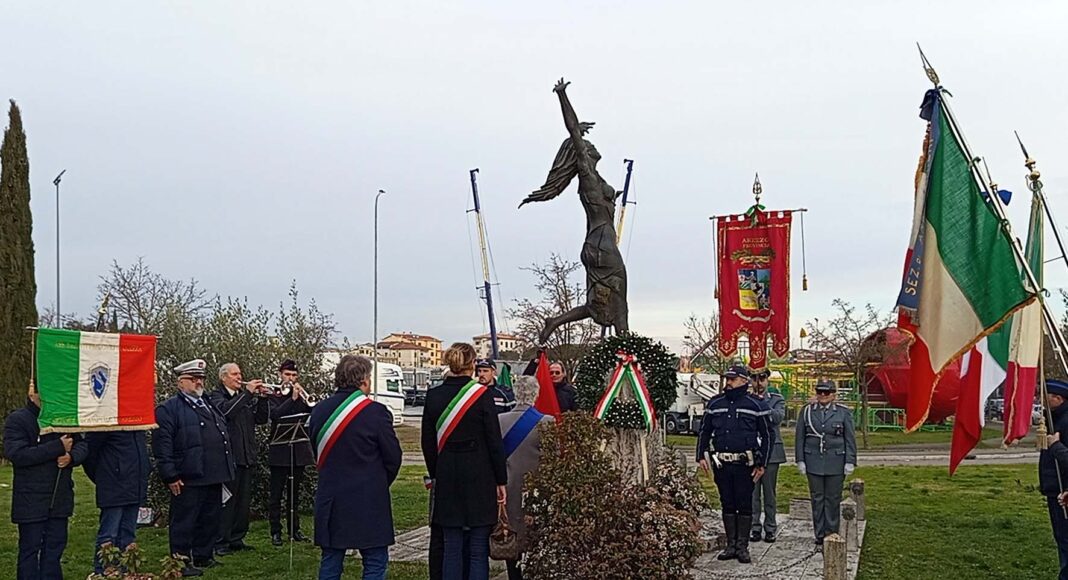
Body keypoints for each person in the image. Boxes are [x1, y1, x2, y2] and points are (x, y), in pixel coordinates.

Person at [310, 354, 402, 580]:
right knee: (375, 560)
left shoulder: (319, 410)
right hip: (368, 497)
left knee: (331, 559)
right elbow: (393, 457)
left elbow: (316, 450)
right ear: (364, 380)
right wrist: (379, 481)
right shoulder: (376, 412)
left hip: (331, 495)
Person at [422, 342, 507, 580]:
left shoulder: (433, 396)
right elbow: (494, 441)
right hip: (480, 476)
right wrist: (501, 480)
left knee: (451, 547)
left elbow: (427, 442)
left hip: (447, 473)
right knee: (478, 549)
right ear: (472, 365)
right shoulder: (482, 394)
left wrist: (437, 472)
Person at [153, 359, 236, 577]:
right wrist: (170, 475)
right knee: (184, 520)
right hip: (188, 474)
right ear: (181, 382)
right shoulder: (168, 408)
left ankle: (203, 555)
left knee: (210, 518)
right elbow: (163, 445)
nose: (198, 382)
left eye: (201, 378)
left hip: (213, 472)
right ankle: (180, 561)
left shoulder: (207, 403)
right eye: (193, 379)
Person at [5, 384, 88, 580]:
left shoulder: (63, 418)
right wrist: (57, 447)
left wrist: (72, 457)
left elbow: (83, 444)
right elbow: (17, 454)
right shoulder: (18, 420)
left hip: (59, 497)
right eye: (41, 390)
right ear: (31, 392)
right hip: (30, 499)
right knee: (30, 551)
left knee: (54, 550)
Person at [696, 364, 771, 564]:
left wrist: (762, 463)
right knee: (727, 503)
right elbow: (704, 431)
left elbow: (767, 435)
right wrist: (700, 455)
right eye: (727, 379)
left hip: (745, 464)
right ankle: (731, 545)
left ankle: (742, 547)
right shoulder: (715, 403)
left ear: (744, 381)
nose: (728, 382)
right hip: (722, 463)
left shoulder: (755, 405)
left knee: (744, 504)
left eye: (733, 379)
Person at [497, 375, 555, 580]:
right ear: (536, 394)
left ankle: (514, 574)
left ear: (515, 393)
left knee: (511, 535)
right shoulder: (548, 423)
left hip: (507, 487)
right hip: (536, 489)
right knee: (535, 535)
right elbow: (552, 459)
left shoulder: (499, 420)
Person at [208, 362, 269, 555]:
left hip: (246, 457)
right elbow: (225, 413)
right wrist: (248, 394)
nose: (239, 377)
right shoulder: (217, 396)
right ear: (223, 377)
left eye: (240, 373)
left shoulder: (244, 398)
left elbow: (260, 419)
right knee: (227, 503)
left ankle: (237, 538)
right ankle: (221, 542)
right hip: (228, 459)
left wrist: (262, 399)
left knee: (243, 503)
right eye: (234, 374)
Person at [796, 380, 857, 551]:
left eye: (827, 393)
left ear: (833, 394)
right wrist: (800, 459)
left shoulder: (843, 413)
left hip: (836, 462)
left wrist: (850, 461)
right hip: (813, 461)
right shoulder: (807, 411)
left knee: (832, 498)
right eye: (820, 392)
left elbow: (849, 439)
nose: (823, 396)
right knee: (817, 499)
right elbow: (800, 437)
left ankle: (831, 533)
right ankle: (819, 534)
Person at [84, 427, 151, 574]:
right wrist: (105, 476)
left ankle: (126, 569)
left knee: (128, 533)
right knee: (109, 533)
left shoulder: (137, 422)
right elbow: (90, 452)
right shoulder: (106, 420)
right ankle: (103, 571)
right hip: (114, 484)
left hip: (135, 483)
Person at [266, 359, 315, 546]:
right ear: (280, 375)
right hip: (279, 451)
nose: (291, 378)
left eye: (294, 375)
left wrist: (304, 399)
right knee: (276, 495)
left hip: (298, 451)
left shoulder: (300, 395)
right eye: (288, 375)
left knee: (294, 495)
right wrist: (292, 400)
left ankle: (295, 530)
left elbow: (311, 411)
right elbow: (275, 415)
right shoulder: (274, 395)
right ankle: (275, 532)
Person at [749, 369, 786, 543]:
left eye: (762, 379)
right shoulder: (747, 399)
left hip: (771, 452)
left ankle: (770, 527)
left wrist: (763, 405)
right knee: (752, 493)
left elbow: (778, 417)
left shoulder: (776, 398)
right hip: (751, 451)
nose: (759, 383)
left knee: (769, 493)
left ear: (767, 380)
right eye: (755, 379)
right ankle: (754, 527)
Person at [1040, 379, 1068, 580]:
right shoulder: (1055, 419)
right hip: (1055, 489)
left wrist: (1055, 446)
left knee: (1066, 539)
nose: (1041, 402)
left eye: (1045, 398)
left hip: (1063, 492)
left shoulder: (1065, 421)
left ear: (1058, 398)